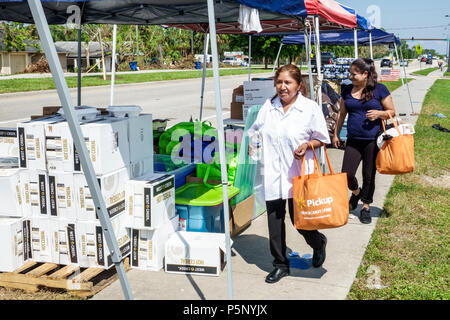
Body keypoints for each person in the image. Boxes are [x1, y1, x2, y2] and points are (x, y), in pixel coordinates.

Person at [247, 64, 330, 284]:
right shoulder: (269, 106)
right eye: (279, 82)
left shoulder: (309, 108)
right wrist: (253, 144)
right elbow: (255, 130)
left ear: (298, 85)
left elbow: (322, 138)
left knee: (300, 221)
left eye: (287, 82)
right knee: (274, 221)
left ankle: (318, 242)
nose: (282, 87)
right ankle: (280, 265)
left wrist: (307, 144)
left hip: (298, 175)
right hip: (274, 173)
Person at [333, 58, 396, 224]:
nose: (351, 76)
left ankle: (366, 206)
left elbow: (392, 112)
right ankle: (356, 193)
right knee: (346, 173)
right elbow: (341, 114)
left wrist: (379, 114)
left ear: (365, 74)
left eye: (354, 74)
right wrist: (336, 134)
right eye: (351, 73)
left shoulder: (380, 89)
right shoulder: (346, 90)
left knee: (369, 175)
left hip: (373, 140)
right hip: (353, 139)